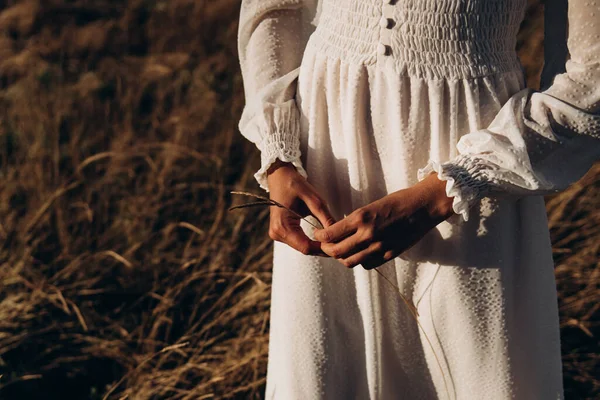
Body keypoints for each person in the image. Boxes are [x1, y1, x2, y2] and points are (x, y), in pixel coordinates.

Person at [236, 0, 600, 398]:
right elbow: (276, 9)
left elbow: (588, 83)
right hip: (323, 158)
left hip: (469, 176)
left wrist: (448, 188)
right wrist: (278, 156)